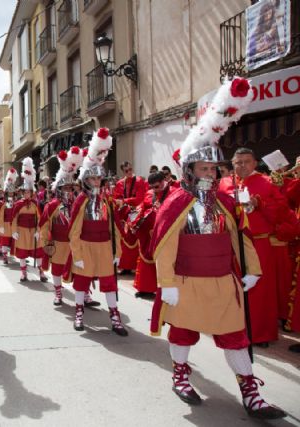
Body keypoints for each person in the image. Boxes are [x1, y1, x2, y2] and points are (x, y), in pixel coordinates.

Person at [150, 77, 285, 419]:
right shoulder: (177, 200)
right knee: (183, 332)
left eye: (214, 167)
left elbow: (239, 236)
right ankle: (180, 375)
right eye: (204, 167)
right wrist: (166, 283)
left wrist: (251, 269)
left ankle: (249, 390)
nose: (211, 172)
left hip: (223, 281)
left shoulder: (224, 200)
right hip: (186, 281)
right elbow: (164, 245)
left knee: (235, 336)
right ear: (190, 170)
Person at [218, 148, 289, 347]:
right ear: (232, 164)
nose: (242, 166)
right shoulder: (224, 183)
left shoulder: (267, 182)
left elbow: (281, 212)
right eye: (238, 162)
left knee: (261, 290)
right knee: (233, 287)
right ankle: (233, 328)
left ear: (255, 163)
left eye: (246, 161)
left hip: (259, 242)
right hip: (231, 243)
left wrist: (261, 204)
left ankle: (261, 334)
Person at [68, 128, 127, 336]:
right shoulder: (80, 201)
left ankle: (114, 317)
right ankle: (79, 314)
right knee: (82, 282)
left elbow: (115, 229)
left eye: (99, 180)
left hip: (104, 247)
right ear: (85, 180)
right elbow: (74, 231)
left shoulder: (106, 201)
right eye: (93, 180)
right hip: (85, 245)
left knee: (109, 283)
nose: (96, 183)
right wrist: (77, 254)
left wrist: (117, 252)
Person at [41, 147, 98, 307]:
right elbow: (45, 225)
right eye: (65, 188)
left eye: (71, 188)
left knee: (81, 270)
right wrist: (46, 243)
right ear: (59, 189)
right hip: (58, 243)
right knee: (57, 270)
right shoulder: (52, 205)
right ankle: (58, 293)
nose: (69, 191)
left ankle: (85, 294)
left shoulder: (77, 203)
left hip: (76, 243)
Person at [130, 172, 176, 298]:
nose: (154, 190)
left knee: (163, 261)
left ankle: (162, 289)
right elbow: (143, 209)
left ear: (163, 181)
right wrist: (135, 223)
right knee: (145, 260)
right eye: (152, 187)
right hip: (149, 232)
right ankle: (145, 288)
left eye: (156, 186)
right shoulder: (150, 193)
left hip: (166, 233)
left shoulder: (174, 193)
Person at [11, 158, 46, 283]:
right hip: (22, 231)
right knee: (22, 253)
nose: (26, 194)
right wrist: (14, 231)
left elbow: (39, 219)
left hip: (33, 232)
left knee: (39, 252)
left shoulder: (35, 204)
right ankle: (23, 273)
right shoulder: (18, 204)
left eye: (28, 192)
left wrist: (38, 231)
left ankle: (41, 272)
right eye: (24, 192)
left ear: (31, 193)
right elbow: (14, 219)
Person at [113, 161, 147, 274]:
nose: (129, 172)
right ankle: (123, 265)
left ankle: (133, 265)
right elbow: (116, 198)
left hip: (135, 213)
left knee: (134, 238)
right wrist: (120, 202)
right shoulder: (119, 183)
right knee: (123, 239)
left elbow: (140, 198)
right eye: (126, 171)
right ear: (123, 171)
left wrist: (124, 201)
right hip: (123, 214)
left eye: (130, 169)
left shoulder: (139, 181)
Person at [0, 168, 18, 265]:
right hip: (5, 225)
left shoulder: (16, 203)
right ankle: (5, 256)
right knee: (5, 241)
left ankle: (17, 255)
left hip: (13, 225)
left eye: (12, 193)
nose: (11, 194)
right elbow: (1, 216)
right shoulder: (3, 204)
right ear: (6, 194)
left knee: (14, 241)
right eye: (9, 192)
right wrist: (1, 226)